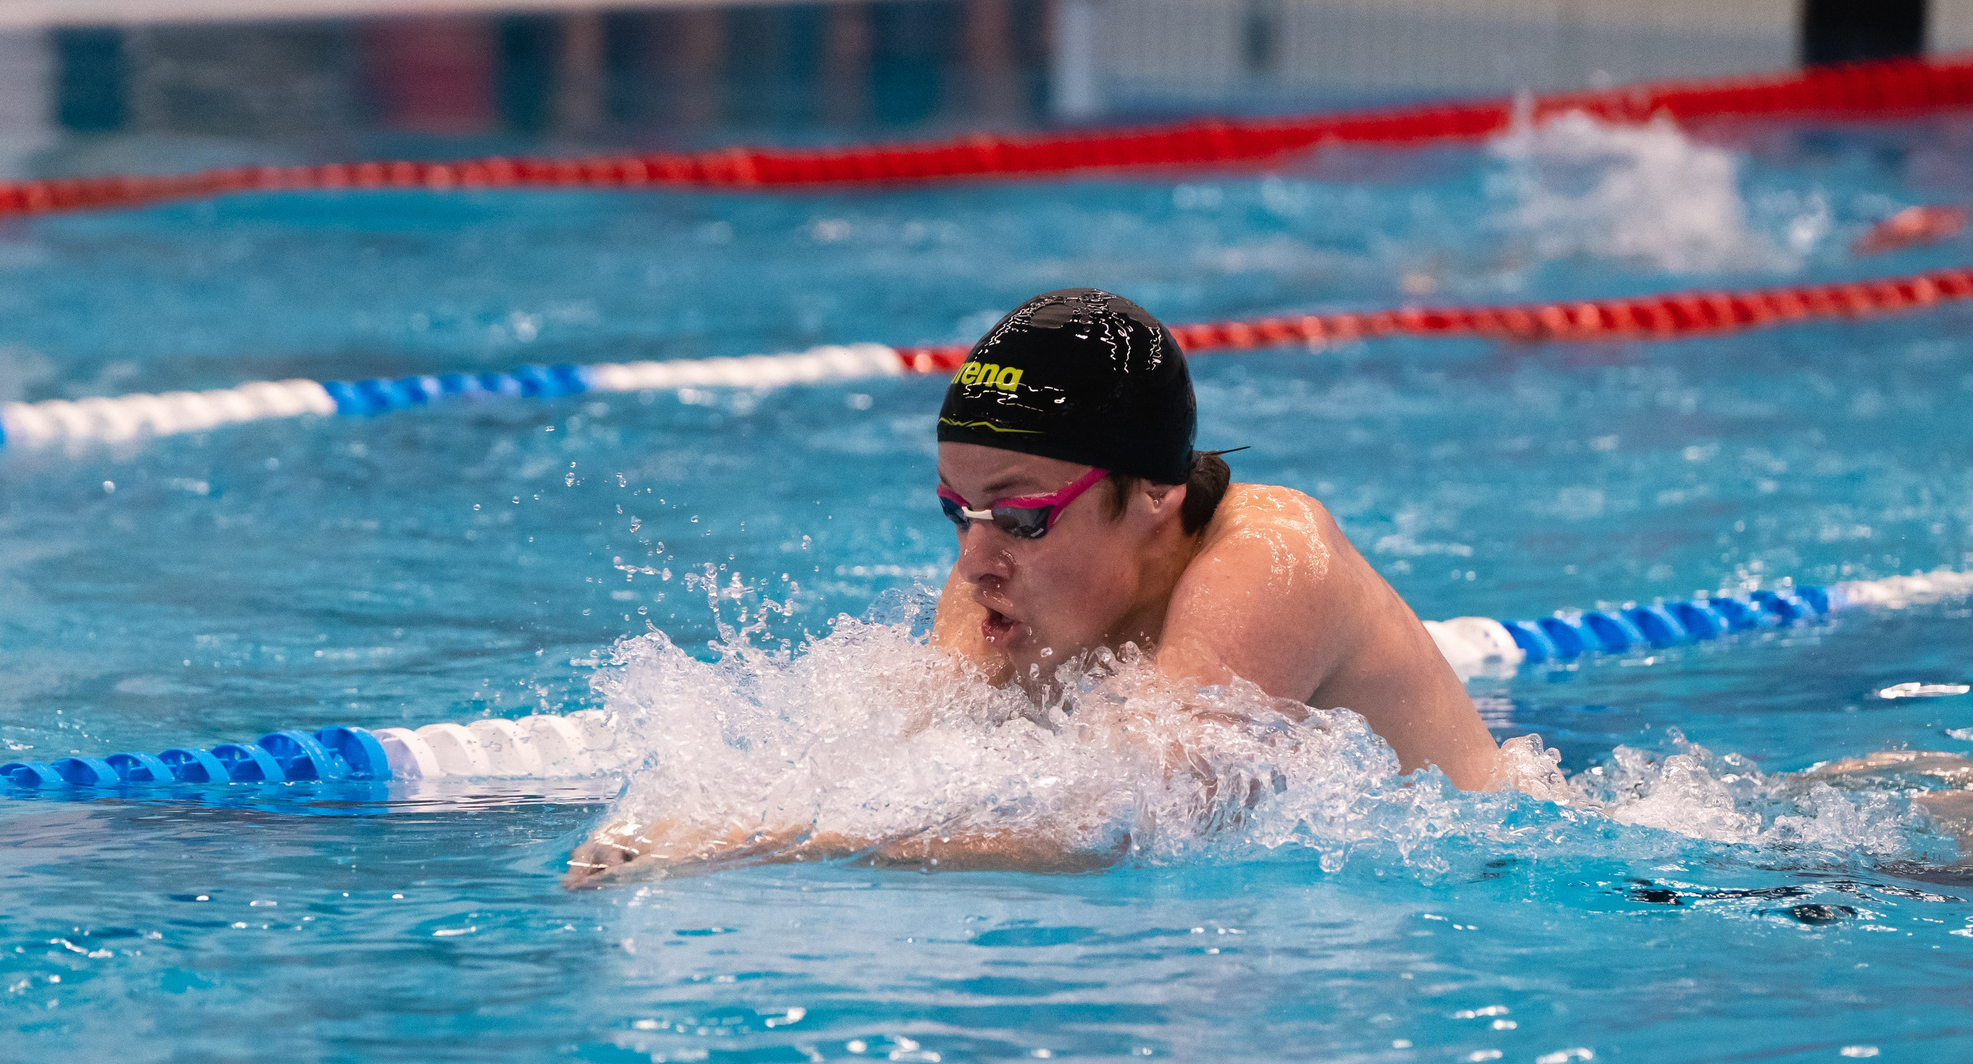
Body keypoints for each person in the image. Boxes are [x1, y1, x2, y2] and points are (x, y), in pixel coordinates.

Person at [565, 289, 1502, 886]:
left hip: (1501, 879)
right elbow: (897, 761)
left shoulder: (1273, 559)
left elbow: (1133, 822)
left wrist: (751, 842)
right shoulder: (998, 588)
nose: (976, 560)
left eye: (1020, 516)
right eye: (956, 511)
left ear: (1153, 493)